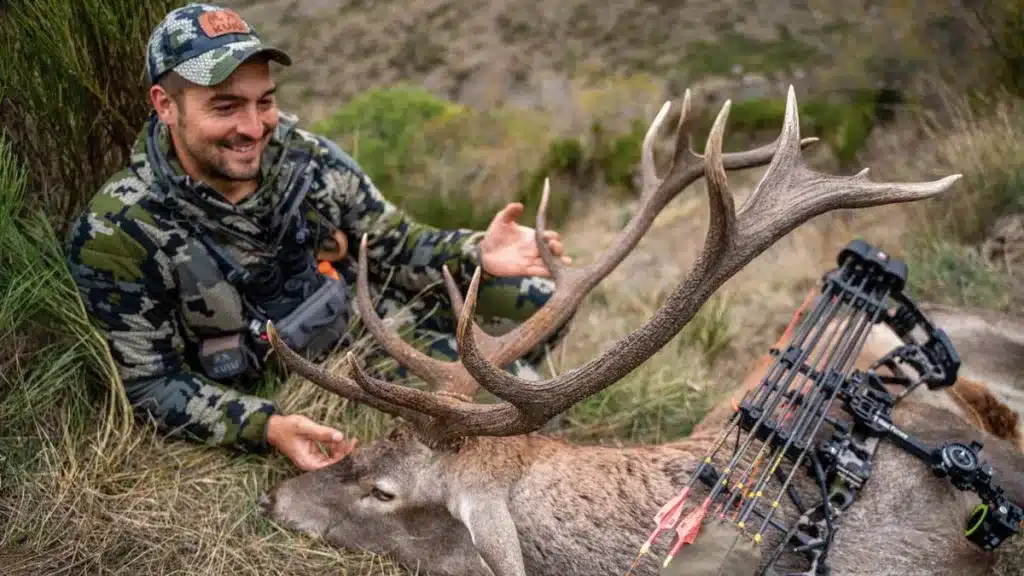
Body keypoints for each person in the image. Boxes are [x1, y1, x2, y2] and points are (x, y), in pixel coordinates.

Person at [64, 3, 572, 472]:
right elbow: (150, 383)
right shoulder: (118, 230)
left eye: (264, 101)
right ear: (166, 105)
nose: (254, 127)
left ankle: (510, 370)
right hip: (286, 374)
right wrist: (265, 426)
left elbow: (392, 242)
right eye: (225, 108)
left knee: (546, 302)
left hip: (360, 320)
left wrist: (475, 251)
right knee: (500, 411)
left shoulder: (304, 156)